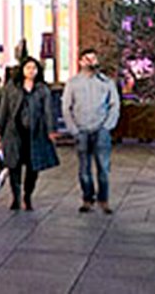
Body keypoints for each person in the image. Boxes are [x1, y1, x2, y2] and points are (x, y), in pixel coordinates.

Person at [0, 57, 59, 210]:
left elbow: (48, 111)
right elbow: (3, 110)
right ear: (22, 70)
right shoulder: (12, 87)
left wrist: (51, 130)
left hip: (35, 133)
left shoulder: (42, 89)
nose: (31, 71)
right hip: (14, 132)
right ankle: (15, 197)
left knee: (33, 167)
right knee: (13, 165)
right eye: (28, 68)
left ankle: (27, 195)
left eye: (34, 68)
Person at [62, 46, 121, 214]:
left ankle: (104, 200)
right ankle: (87, 199)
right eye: (87, 59)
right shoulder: (73, 83)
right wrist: (73, 129)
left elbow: (114, 105)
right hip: (82, 131)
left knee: (103, 168)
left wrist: (107, 126)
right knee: (84, 169)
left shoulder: (106, 82)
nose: (90, 62)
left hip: (101, 130)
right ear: (80, 62)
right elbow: (67, 107)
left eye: (93, 59)